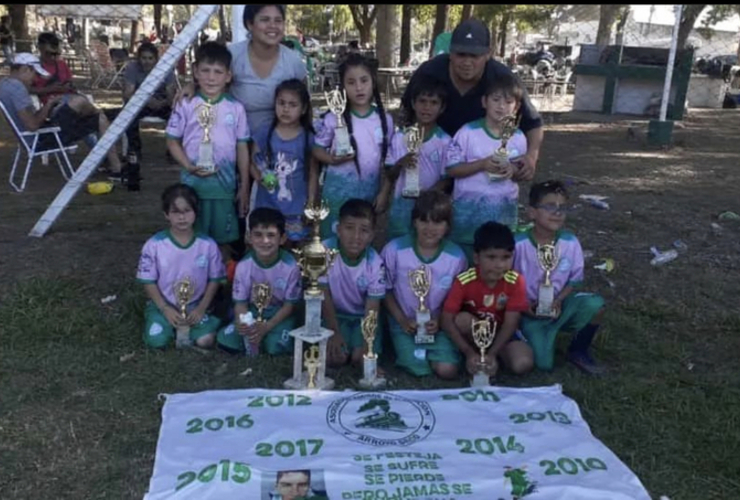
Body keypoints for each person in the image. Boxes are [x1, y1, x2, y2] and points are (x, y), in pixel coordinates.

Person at [401, 18, 543, 182]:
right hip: (433, 163)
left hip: (481, 171)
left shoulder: (503, 78)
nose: (467, 62)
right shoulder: (429, 71)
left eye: (474, 55)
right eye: (461, 54)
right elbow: (407, 112)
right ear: (450, 53)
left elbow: (533, 123)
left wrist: (531, 156)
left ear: (488, 54)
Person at [166, 41, 251, 259]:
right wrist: (188, 166)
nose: (211, 77)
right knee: (193, 239)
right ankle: (194, 284)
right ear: (195, 72)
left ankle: (220, 285)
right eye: (205, 70)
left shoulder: (236, 108)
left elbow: (242, 146)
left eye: (218, 72)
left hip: (224, 187)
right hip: (192, 188)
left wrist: (244, 186)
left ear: (228, 76)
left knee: (223, 242)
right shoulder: (185, 103)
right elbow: (172, 141)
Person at [513, 180, 606, 374]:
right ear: (531, 212)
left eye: (562, 207)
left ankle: (579, 350)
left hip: (559, 305)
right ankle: (524, 333)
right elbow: (508, 282)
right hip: (527, 311)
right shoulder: (518, 244)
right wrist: (525, 307)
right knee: (544, 365)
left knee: (595, 305)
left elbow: (574, 280)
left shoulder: (570, 243)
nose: (557, 212)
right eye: (549, 206)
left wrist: (558, 300)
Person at [381, 190, 468, 378]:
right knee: (419, 368)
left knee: (447, 370)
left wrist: (440, 322)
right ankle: (407, 349)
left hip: (438, 325)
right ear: (414, 221)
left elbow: (457, 299)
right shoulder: (394, 250)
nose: (430, 227)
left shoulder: (456, 257)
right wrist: (402, 320)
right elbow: (385, 290)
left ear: (447, 226)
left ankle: (439, 350)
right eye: (424, 220)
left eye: (437, 222)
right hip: (404, 324)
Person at [445, 72, 528, 264]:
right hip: (468, 218)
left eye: (508, 102)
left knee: (495, 268)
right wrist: (482, 164)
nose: (501, 106)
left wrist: (512, 170)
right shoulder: (467, 133)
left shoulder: (518, 137)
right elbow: (452, 169)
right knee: (465, 267)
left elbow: (519, 170)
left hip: (503, 215)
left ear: (516, 107)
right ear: (484, 102)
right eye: (496, 99)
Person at [0, 53, 124, 179]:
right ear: (25, 69)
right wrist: (48, 105)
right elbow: (32, 125)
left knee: (84, 108)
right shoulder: (17, 88)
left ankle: (116, 167)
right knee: (83, 105)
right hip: (42, 139)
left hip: (38, 135)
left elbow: (30, 120)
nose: (35, 79)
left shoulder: (5, 84)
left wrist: (50, 105)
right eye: (35, 74)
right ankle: (116, 166)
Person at [313, 53, 394, 238]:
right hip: (335, 196)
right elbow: (316, 149)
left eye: (364, 80)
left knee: (358, 244)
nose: (359, 87)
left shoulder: (384, 120)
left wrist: (384, 192)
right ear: (343, 86)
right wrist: (331, 159)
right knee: (333, 245)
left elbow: (391, 162)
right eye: (351, 82)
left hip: (366, 197)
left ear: (373, 81)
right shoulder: (334, 118)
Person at [136, 184, 226, 349]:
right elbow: (148, 281)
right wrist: (164, 308)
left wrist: (201, 308)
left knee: (205, 341)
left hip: (195, 305)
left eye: (186, 211)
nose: (182, 217)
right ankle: (163, 322)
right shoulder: (154, 245)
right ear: (166, 214)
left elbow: (215, 280)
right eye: (176, 212)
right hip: (164, 304)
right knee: (156, 341)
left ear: (195, 213)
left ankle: (198, 326)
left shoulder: (207, 245)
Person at [441, 221, 534, 380]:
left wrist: (492, 353)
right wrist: (468, 352)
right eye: (491, 257)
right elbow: (446, 319)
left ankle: (492, 358)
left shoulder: (516, 281)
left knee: (522, 363)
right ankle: (473, 356)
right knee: (462, 319)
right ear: (476, 257)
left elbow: (511, 323)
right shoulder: (464, 281)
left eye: (506, 257)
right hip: (474, 333)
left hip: (503, 334)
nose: (499, 265)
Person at [217, 208, 301, 355]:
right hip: (252, 312)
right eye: (258, 235)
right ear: (249, 237)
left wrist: (266, 327)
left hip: (278, 315)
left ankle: (270, 336)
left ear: (282, 238)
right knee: (227, 341)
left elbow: (289, 306)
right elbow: (240, 303)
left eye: (271, 235)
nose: (265, 241)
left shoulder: (290, 266)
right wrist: (243, 322)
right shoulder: (244, 265)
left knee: (275, 348)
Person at [251, 79, 319, 245]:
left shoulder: (308, 137)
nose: (286, 109)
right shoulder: (265, 131)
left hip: (296, 208)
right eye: (281, 103)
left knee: (295, 250)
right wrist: (260, 178)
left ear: (303, 109)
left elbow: (312, 172)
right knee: (267, 246)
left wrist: (310, 202)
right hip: (267, 205)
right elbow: (252, 161)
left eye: (292, 105)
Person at [320, 199, 386, 368]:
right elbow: (323, 294)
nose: (356, 237)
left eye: (364, 230)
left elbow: (372, 307)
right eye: (349, 228)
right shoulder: (323, 252)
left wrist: (366, 345)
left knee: (360, 359)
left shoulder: (374, 262)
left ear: (372, 235)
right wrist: (333, 332)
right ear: (338, 229)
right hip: (334, 315)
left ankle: (358, 345)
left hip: (361, 319)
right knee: (335, 359)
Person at [384, 75, 451, 240]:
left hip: (430, 214)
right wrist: (400, 164)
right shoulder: (400, 138)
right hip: (401, 210)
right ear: (413, 103)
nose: (427, 107)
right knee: (400, 251)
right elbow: (389, 174)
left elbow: (448, 179)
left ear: (442, 108)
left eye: (434, 103)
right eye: (422, 101)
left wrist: (427, 197)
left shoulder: (446, 141)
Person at [106, 42, 177, 160]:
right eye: (144, 58)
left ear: (156, 59)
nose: (147, 61)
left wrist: (162, 103)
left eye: (150, 58)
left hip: (163, 103)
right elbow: (127, 94)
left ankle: (173, 151)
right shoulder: (132, 68)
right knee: (128, 115)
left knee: (178, 116)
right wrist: (147, 101)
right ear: (138, 58)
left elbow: (172, 95)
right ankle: (134, 150)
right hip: (138, 104)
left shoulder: (166, 69)